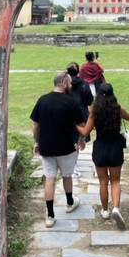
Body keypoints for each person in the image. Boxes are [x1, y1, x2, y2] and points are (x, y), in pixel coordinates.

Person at [76, 82, 129, 230]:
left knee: (103, 182)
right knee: (115, 181)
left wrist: (73, 124)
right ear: (112, 94)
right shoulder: (118, 109)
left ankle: (105, 210)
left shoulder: (95, 112)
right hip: (116, 146)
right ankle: (116, 208)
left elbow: (85, 132)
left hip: (100, 147)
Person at [30, 71, 86, 228]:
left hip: (47, 147)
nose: (71, 85)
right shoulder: (71, 101)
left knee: (50, 178)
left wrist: (36, 142)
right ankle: (69, 202)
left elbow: (35, 125)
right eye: (68, 82)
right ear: (63, 82)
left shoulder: (43, 100)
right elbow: (81, 124)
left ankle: (50, 215)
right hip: (67, 147)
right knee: (67, 175)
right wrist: (81, 140)